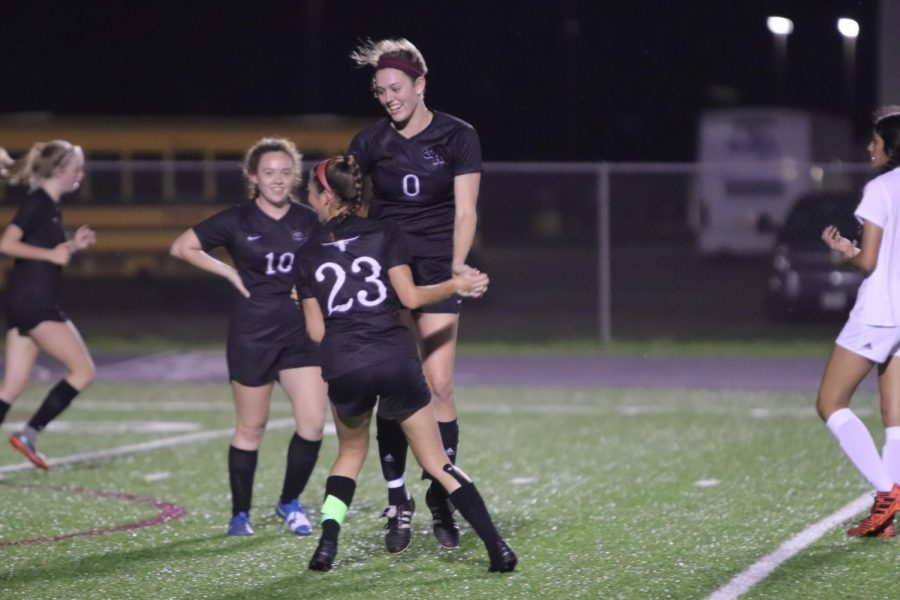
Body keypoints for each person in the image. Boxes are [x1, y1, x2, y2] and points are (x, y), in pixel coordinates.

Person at [295, 155, 515, 572]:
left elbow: (316, 333)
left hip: (345, 365)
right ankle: (497, 548)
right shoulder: (383, 231)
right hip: (394, 357)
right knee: (437, 464)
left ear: (326, 194)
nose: (307, 196)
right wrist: (455, 285)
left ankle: (327, 545)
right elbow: (411, 299)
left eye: (310, 189)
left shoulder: (306, 254)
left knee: (348, 457)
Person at [348, 36, 482, 553]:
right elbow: (347, 206)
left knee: (440, 384)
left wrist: (454, 265)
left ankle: (440, 495)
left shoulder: (458, 135)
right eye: (380, 90)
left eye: (397, 87)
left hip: (434, 266)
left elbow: (466, 211)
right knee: (395, 384)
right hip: (385, 270)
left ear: (420, 84)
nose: (388, 98)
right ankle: (397, 498)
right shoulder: (369, 142)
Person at [170, 137, 327, 537]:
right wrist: (228, 271)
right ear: (253, 176)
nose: (277, 180)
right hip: (252, 333)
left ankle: (289, 502)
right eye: (269, 172)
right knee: (251, 426)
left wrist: (312, 289)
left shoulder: (309, 220)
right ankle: (240, 514)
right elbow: (182, 246)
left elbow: (329, 262)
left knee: (312, 423)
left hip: (298, 333)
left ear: (295, 176)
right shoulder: (237, 219)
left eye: (285, 172)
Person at [817, 105, 900, 537]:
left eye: (876, 140)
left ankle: (889, 492)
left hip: (879, 314)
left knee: (830, 403)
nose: (870, 147)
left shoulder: (881, 187)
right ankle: (886, 519)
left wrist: (845, 252)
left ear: (892, 146)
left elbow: (869, 260)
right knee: (895, 415)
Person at [0, 141, 97, 469]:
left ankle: (28, 434)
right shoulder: (38, 202)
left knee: (11, 386)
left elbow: (43, 250)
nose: (80, 174)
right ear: (58, 170)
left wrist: (70, 246)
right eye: (76, 168)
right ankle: (29, 432)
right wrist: (54, 253)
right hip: (35, 304)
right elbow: (7, 243)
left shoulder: (50, 205)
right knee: (83, 371)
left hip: (23, 303)